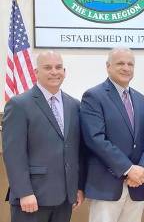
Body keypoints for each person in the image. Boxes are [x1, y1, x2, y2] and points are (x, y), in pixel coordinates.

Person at [2, 51, 85, 222]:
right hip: (32, 198)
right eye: (47, 67)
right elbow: (13, 154)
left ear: (64, 71)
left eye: (58, 67)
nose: (54, 72)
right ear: (35, 72)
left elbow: (76, 151)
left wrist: (78, 187)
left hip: (65, 198)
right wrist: (24, 192)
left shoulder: (74, 105)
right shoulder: (19, 104)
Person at [80, 47, 144, 222]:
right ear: (108, 66)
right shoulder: (94, 96)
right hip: (106, 186)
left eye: (130, 64)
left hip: (136, 185)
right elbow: (95, 139)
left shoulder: (142, 100)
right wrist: (128, 169)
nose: (126, 68)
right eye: (120, 63)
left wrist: (142, 171)